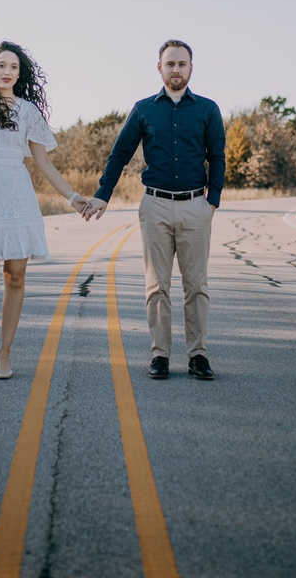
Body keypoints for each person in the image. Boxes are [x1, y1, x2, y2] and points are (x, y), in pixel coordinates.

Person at [84, 39, 226, 380]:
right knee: (156, 286)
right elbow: (120, 153)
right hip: (155, 205)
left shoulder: (207, 109)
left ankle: (198, 355)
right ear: (159, 68)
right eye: (170, 64)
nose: (176, 69)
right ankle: (160, 355)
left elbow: (217, 157)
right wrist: (104, 193)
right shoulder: (144, 109)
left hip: (195, 206)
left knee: (196, 285)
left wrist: (212, 202)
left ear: (191, 68)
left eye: (182, 64)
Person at [0, 42, 90, 380]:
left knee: (15, 276)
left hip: (18, 198)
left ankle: (5, 353)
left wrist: (73, 198)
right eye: (1, 65)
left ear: (19, 73)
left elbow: (43, 162)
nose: (7, 71)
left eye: (13, 66)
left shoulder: (29, 112)